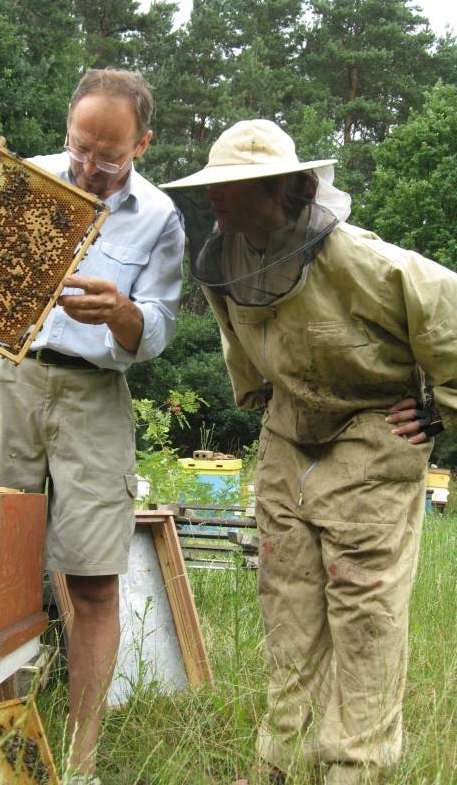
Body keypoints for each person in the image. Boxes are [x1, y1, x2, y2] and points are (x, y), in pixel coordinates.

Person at [0, 68, 185, 785]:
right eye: (79, 145)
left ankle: (80, 765)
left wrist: (120, 311)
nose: (89, 167)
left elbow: (156, 331)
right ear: (69, 127)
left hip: (95, 395)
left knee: (91, 581)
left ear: (142, 144)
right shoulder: (24, 180)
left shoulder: (162, 219)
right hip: (7, 376)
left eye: (109, 156)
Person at [161, 119, 457, 785]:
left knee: (365, 614)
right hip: (288, 437)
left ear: (282, 190)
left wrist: (440, 410)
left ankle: (354, 770)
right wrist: (265, 399)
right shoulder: (228, 256)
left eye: (230, 188)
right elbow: (245, 349)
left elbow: (451, 315)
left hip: (372, 436)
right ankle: (280, 764)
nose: (216, 201)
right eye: (213, 187)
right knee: (288, 603)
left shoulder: (363, 259)